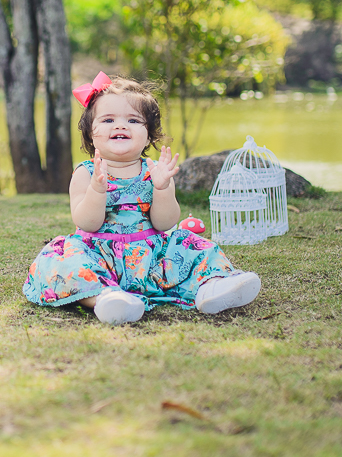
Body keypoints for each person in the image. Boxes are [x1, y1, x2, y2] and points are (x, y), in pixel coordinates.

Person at [22, 72, 261, 324]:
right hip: (99, 255)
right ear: (91, 133)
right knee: (61, 261)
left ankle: (212, 288)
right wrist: (97, 190)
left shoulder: (154, 171)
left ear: (149, 135)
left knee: (192, 245)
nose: (120, 126)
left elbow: (165, 223)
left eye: (133, 120)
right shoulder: (86, 172)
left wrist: (162, 187)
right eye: (108, 119)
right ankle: (106, 298)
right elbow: (87, 223)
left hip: (151, 256)